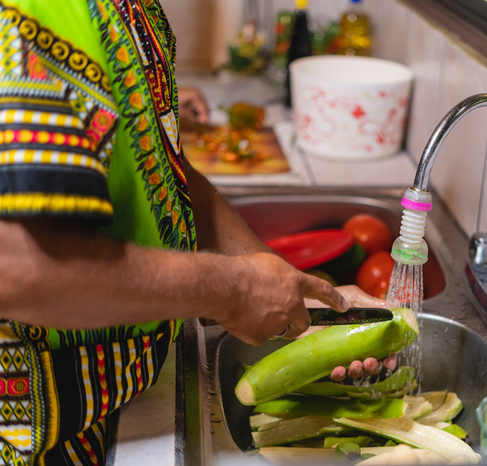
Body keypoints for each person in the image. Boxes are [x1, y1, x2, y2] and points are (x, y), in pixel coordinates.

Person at [0, 1, 393, 464]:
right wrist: (231, 289)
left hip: (107, 412)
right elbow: (17, 266)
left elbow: (165, 169)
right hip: (29, 441)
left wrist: (293, 297)